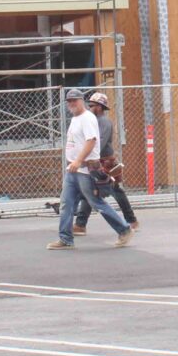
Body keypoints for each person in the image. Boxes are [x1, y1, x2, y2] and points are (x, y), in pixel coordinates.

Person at [49, 88, 133, 249]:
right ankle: (66, 239)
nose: (72, 103)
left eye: (75, 100)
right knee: (66, 203)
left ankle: (124, 229)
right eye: (69, 101)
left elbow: (91, 141)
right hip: (74, 169)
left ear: (82, 101)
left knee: (96, 202)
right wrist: (73, 162)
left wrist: (78, 160)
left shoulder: (87, 118)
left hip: (85, 169)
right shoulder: (76, 118)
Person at [72, 92, 138, 236]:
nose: (90, 107)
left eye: (93, 105)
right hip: (96, 162)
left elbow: (98, 144)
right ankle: (80, 224)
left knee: (116, 191)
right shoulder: (93, 121)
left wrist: (84, 157)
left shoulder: (104, 122)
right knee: (90, 191)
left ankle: (131, 221)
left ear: (101, 107)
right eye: (89, 105)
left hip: (106, 162)